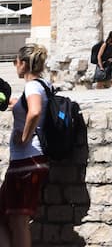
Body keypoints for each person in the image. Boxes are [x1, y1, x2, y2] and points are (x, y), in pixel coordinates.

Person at [0, 42, 50, 247]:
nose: (15, 66)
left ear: (23, 63)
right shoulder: (43, 84)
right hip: (30, 161)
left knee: (19, 220)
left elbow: (35, 111)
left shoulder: (32, 86)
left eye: (15, 62)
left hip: (26, 162)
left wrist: (24, 137)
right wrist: (14, 103)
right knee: (7, 216)